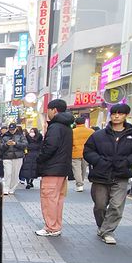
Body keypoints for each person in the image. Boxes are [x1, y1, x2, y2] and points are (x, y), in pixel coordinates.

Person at [83, 102, 132, 245]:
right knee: (100, 205)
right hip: (100, 175)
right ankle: (102, 227)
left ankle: (107, 231)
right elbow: (88, 151)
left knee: (116, 206)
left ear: (126, 116)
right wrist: (99, 161)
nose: (117, 116)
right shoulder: (98, 135)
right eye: (114, 113)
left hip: (121, 175)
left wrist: (127, 161)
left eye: (120, 113)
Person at [36, 99, 75, 236]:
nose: (48, 113)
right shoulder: (67, 126)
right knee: (57, 199)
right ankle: (56, 226)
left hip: (52, 168)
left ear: (54, 110)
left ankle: (51, 227)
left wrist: (40, 159)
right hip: (62, 169)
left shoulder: (55, 127)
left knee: (49, 198)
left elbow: (50, 147)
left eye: (48, 110)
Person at [0, 123, 27, 195]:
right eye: (10, 129)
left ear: (16, 129)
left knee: (15, 174)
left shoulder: (21, 136)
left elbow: (25, 145)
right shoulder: (5, 136)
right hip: (7, 157)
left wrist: (16, 143)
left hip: (18, 157)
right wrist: (6, 144)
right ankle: (6, 188)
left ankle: (12, 188)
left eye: (13, 129)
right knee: (7, 173)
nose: (12, 131)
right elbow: (0, 147)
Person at [71, 114, 95, 192]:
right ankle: (81, 182)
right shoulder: (91, 131)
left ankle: (79, 184)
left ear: (76, 123)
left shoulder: (72, 132)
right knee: (83, 168)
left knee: (76, 169)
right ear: (84, 122)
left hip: (75, 152)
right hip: (87, 153)